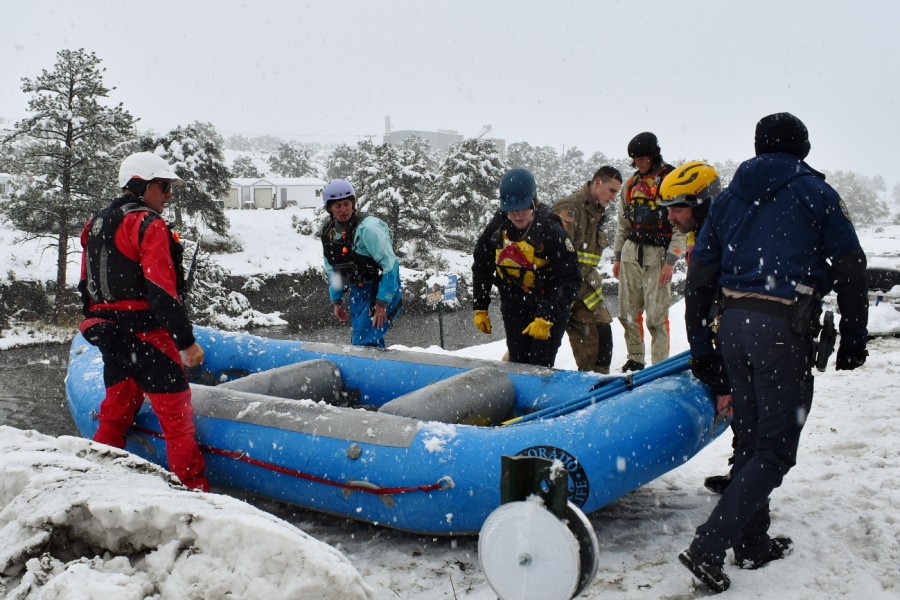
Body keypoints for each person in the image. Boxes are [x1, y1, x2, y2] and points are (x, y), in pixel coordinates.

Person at [677, 113, 869, 593]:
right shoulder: (816, 194)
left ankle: (753, 542)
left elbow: (700, 275)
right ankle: (710, 545)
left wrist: (703, 346)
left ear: (759, 146)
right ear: (801, 148)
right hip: (782, 327)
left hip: (734, 326)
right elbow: (850, 264)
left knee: (751, 434)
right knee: (776, 446)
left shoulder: (726, 200)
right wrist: (853, 334)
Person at [78, 152, 208, 491]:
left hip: (111, 337)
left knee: (116, 412)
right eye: (163, 187)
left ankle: (97, 482)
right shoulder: (148, 225)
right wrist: (187, 343)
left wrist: (105, 327)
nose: (168, 195)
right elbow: (162, 293)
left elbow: (85, 288)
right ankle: (196, 497)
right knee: (178, 423)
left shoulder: (93, 225)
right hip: (149, 338)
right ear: (141, 185)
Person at [659, 161, 734, 494]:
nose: (670, 217)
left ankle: (746, 488)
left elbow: (701, 294)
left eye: (677, 209)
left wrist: (704, 349)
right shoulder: (703, 230)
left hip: (740, 331)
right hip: (725, 327)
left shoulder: (723, 231)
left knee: (751, 407)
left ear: (701, 203)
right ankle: (743, 474)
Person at [472, 168, 581, 367]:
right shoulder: (498, 226)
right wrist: (480, 306)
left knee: (539, 362)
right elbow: (482, 266)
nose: (518, 215)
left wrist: (547, 316)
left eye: (523, 207)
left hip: (547, 301)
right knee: (518, 360)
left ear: (533, 202)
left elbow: (571, 280)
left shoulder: (552, 231)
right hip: (514, 302)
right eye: (512, 209)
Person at [613, 132, 686, 372]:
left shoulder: (671, 180)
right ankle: (635, 359)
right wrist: (617, 257)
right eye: (635, 159)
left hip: (658, 254)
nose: (639, 163)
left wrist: (671, 261)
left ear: (653, 155)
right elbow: (623, 224)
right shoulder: (631, 185)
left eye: (643, 158)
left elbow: (680, 227)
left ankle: (660, 365)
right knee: (628, 313)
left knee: (656, 316)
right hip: (631, 251)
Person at [552, 166, 622, 373]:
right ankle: (503, 381)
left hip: (585, 293)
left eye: (617, 192)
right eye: (611, 190)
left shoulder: (597, 212)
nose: (613, 196)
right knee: (532, 352)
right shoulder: (570, 208)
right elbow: (557, 257)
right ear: (598, 182)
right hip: (559, 291)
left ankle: (595, 392)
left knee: (601, 345)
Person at [319, 179, 402, 347]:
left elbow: (390, 265)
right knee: (370, 341)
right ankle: (379, 370)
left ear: (353, 203)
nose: (343, 210)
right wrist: (337, 300)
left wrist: (381, 303)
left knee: (361, 342)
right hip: (358, 292)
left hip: (383, 290)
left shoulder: (368, 229)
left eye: (346, 204)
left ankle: (362, 371)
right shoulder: (328, 233)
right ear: (330, 209)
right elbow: (332, 269)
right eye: (337, 206)